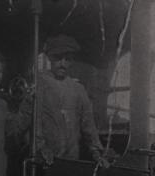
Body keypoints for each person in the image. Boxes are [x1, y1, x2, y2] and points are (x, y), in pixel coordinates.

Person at [17, 35, 103, 163]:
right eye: (58, 59)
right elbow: (24, 127)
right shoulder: (38, 86)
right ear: (49, 58)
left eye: (67, 59)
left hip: (71, 160)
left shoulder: (78, 89)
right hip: (43, 161)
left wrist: (97, 153)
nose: (63, 64)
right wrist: (40, 149)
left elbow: (88, 125)